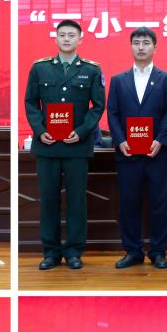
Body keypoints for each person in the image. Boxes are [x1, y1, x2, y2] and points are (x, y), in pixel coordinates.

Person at [24, 20, 105, 270]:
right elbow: (30, 103)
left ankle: (73, 251)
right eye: (62, 35)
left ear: (80, 39)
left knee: (76, 201)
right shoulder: (40, 68)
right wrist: (40, 131)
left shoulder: (91, 70)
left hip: (76, 146)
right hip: (47, 145)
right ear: (56, 38)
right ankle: (50, 252)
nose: (67, 39)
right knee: (49, 200)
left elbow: (98, 107)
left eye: (71, 35)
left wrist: (81, 132)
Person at [106, 28, 167, 269]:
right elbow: (113, 113)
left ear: (155, 47)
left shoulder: (166, 79)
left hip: (157, 153)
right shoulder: (119, 80)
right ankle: (133, 251)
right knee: (129, 204)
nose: (141, 47)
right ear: (131, 47)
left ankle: (158, 251)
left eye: (146, 43)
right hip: (128, 154)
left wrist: (161, 140)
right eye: (136, 43)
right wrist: (120, 140)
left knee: (160, 204)